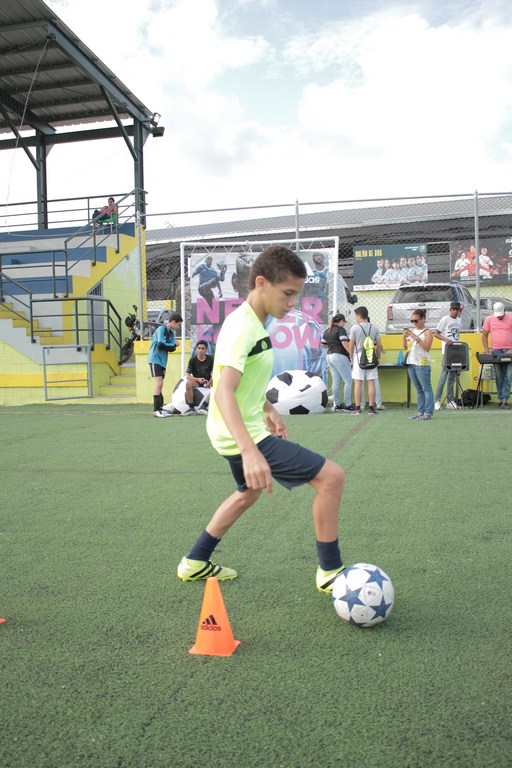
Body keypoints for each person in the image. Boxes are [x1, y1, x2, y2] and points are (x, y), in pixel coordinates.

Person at [177, 245, 346, 594]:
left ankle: (195, 562)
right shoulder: (243, 327)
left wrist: (267, 408)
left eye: (296, 295)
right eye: (287, 294)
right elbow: (223, 391)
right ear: (261, 283)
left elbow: (241, 380)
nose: (292, 303)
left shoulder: (254, 323)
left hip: (236, 429)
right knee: (331, 477)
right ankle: (330, 572)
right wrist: (249, 450)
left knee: (247, 493)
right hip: (240, 434)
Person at [348, 306, 383, 416]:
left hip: (359, 356)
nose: (355, 318)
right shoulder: (375, 327)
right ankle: (372, 408)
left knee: (358, 382)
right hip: (371, 355)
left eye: (356, 316)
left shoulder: (354, 328)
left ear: (359, 315)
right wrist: (378, 358)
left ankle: (358, 408)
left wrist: (351, 357)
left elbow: (351, 345)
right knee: (371, 382)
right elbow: (379, 345)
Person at [148, 312, 183, 418]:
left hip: (163, 361)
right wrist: (173, 344)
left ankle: (160, 408)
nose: (178, 327)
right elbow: (160, 345)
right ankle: (156, 409)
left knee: (161, 383)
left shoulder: (171, 334)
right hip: (155, 359)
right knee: (159, 383)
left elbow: (171, 348)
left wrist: (173, 345)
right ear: (173, 322)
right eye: (178, 325)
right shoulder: (161, 329)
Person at [403, 309, 434, 420]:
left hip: (422, 363)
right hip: (411, 362)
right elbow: (405, 347)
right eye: (412, 321)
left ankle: (428, 412)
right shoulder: (412, 331)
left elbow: (427, 347)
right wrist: (404, 337)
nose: (414, 323)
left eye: (416, 321)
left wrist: (415, 337)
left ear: (423, 319)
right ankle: (420, 412)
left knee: (426, 388)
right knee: (418, 389)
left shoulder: (427, 332)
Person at [482, 301, 512, 409]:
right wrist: (486, 349)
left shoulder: (510, 318)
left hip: (509, 351)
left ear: (504, 311)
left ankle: (505, 400)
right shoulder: (489, 319)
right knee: (499, 376)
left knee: (508, 376)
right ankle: (500, 399)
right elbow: (484, 335)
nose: (499, 317)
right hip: (496, 351)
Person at [321, 313, 354, 412]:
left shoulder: (327, 331)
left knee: (336, 381)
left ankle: (338, 405)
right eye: (344, 322)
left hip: (329, 356)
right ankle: (348, 405)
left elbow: (323, 345)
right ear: (342, 321)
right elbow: (344, 343)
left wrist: (332, 345)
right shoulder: (341, 330)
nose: (344, 324)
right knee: (348, 381)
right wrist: (351, 354)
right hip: (339, 356)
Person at [434, 301, 462, 410]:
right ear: (450, 310)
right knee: (443, 376)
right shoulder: (445, 319)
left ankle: (450, 401)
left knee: (452, 376)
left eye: (457, 310)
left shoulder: (459, 320)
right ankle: (437, 400)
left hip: (456, 351)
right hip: (447, 351)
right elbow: (436, 333)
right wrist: (446, 340)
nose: (455, 312)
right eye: (453, 309)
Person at [184, 339, 214, 415]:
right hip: (197, 381)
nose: (201, 350)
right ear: (197, 349)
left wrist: (209, 382)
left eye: (203, 348)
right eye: (199, 348)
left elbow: (215, 373)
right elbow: (188, 375)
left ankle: (204, 406)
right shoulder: (192, 360)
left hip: (208, 381)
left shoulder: (210, 359)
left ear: (206, 350)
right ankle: (191, 408)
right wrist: (198, 379)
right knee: (188, 384)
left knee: (219, 385)